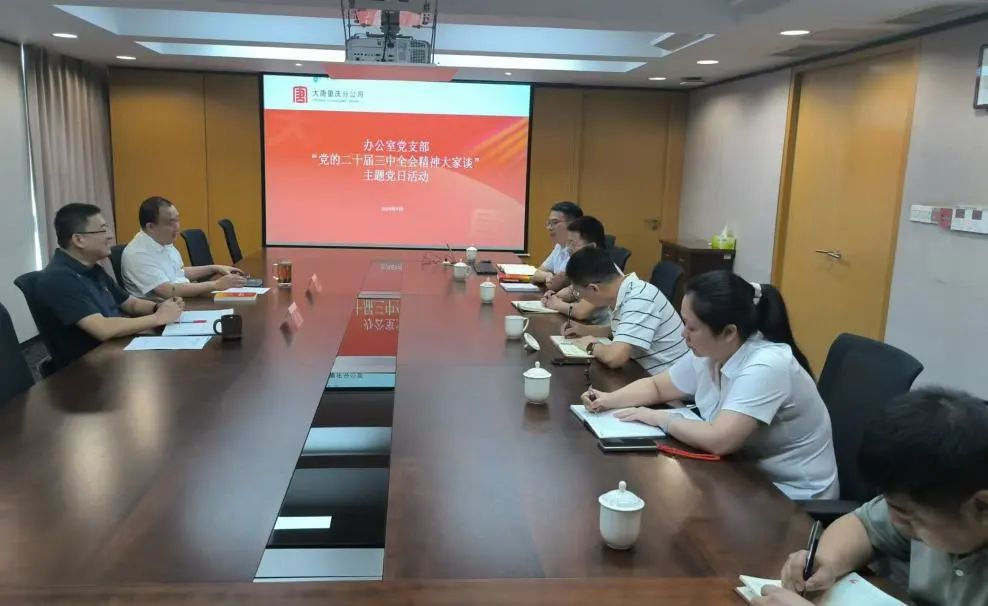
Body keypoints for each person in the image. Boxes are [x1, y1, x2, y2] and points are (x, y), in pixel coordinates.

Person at [580, 270, 838, 500]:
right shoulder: (711, 351)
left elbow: (719, 439)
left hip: (792, 496)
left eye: (691, 327)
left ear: (728, 332)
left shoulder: (766, 365)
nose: (683, 334)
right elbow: (657, 387)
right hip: (743, 474)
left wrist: (657, 417)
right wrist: (607, 399)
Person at [753, 388, 988, 606]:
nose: (895, 521)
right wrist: (826, 562)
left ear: (982, 507)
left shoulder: (950, 492)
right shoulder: (932, 497)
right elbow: (862, 525)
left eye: (909, 518)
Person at [35, 203, 184, 366]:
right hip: (89, 368)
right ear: (79, 239)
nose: (110, 236)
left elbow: (130, 304)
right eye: (103, 230)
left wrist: (159, 306)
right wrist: (158, 317)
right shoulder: (59, 278)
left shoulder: (93, 268)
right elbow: (103, 328)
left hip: (116, 349)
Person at [562, 246, 688, 375]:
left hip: (670, 381)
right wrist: (585, 330)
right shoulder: (624, 292)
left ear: (594, 288)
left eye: (578, 292)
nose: (580, 297)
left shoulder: (640, 298)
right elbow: (622, 330)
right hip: (644, 373)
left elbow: (615, 358)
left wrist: (591, 346)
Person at [122, 196, 246, 298]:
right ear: (151, 227)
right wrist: (216, 285)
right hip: (162, 312)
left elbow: (178, 273)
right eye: (171, 222)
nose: (177, 227)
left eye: (177, 220)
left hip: (183, 302)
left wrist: (214, 268)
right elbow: (167, 291)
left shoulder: (162, 240)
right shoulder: (137, 254)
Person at [542, 216, 610, 325]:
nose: (568, 249)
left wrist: (556, 304)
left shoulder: (603, 270)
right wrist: (553, 296)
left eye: (573, 244)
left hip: (603, 330)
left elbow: (581, 312)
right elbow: (571, 291)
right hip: (587, 326)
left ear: (591, 247)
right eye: (568, 243)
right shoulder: (584, 267)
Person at [531, 200, 582, 290]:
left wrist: (550, 278)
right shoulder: (559, 246)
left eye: (554, 222)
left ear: (573, 224)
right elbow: (536, 274)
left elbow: (557, 284)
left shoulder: (578, 250)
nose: (549, 228)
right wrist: (547, 275)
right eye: (549, 223)